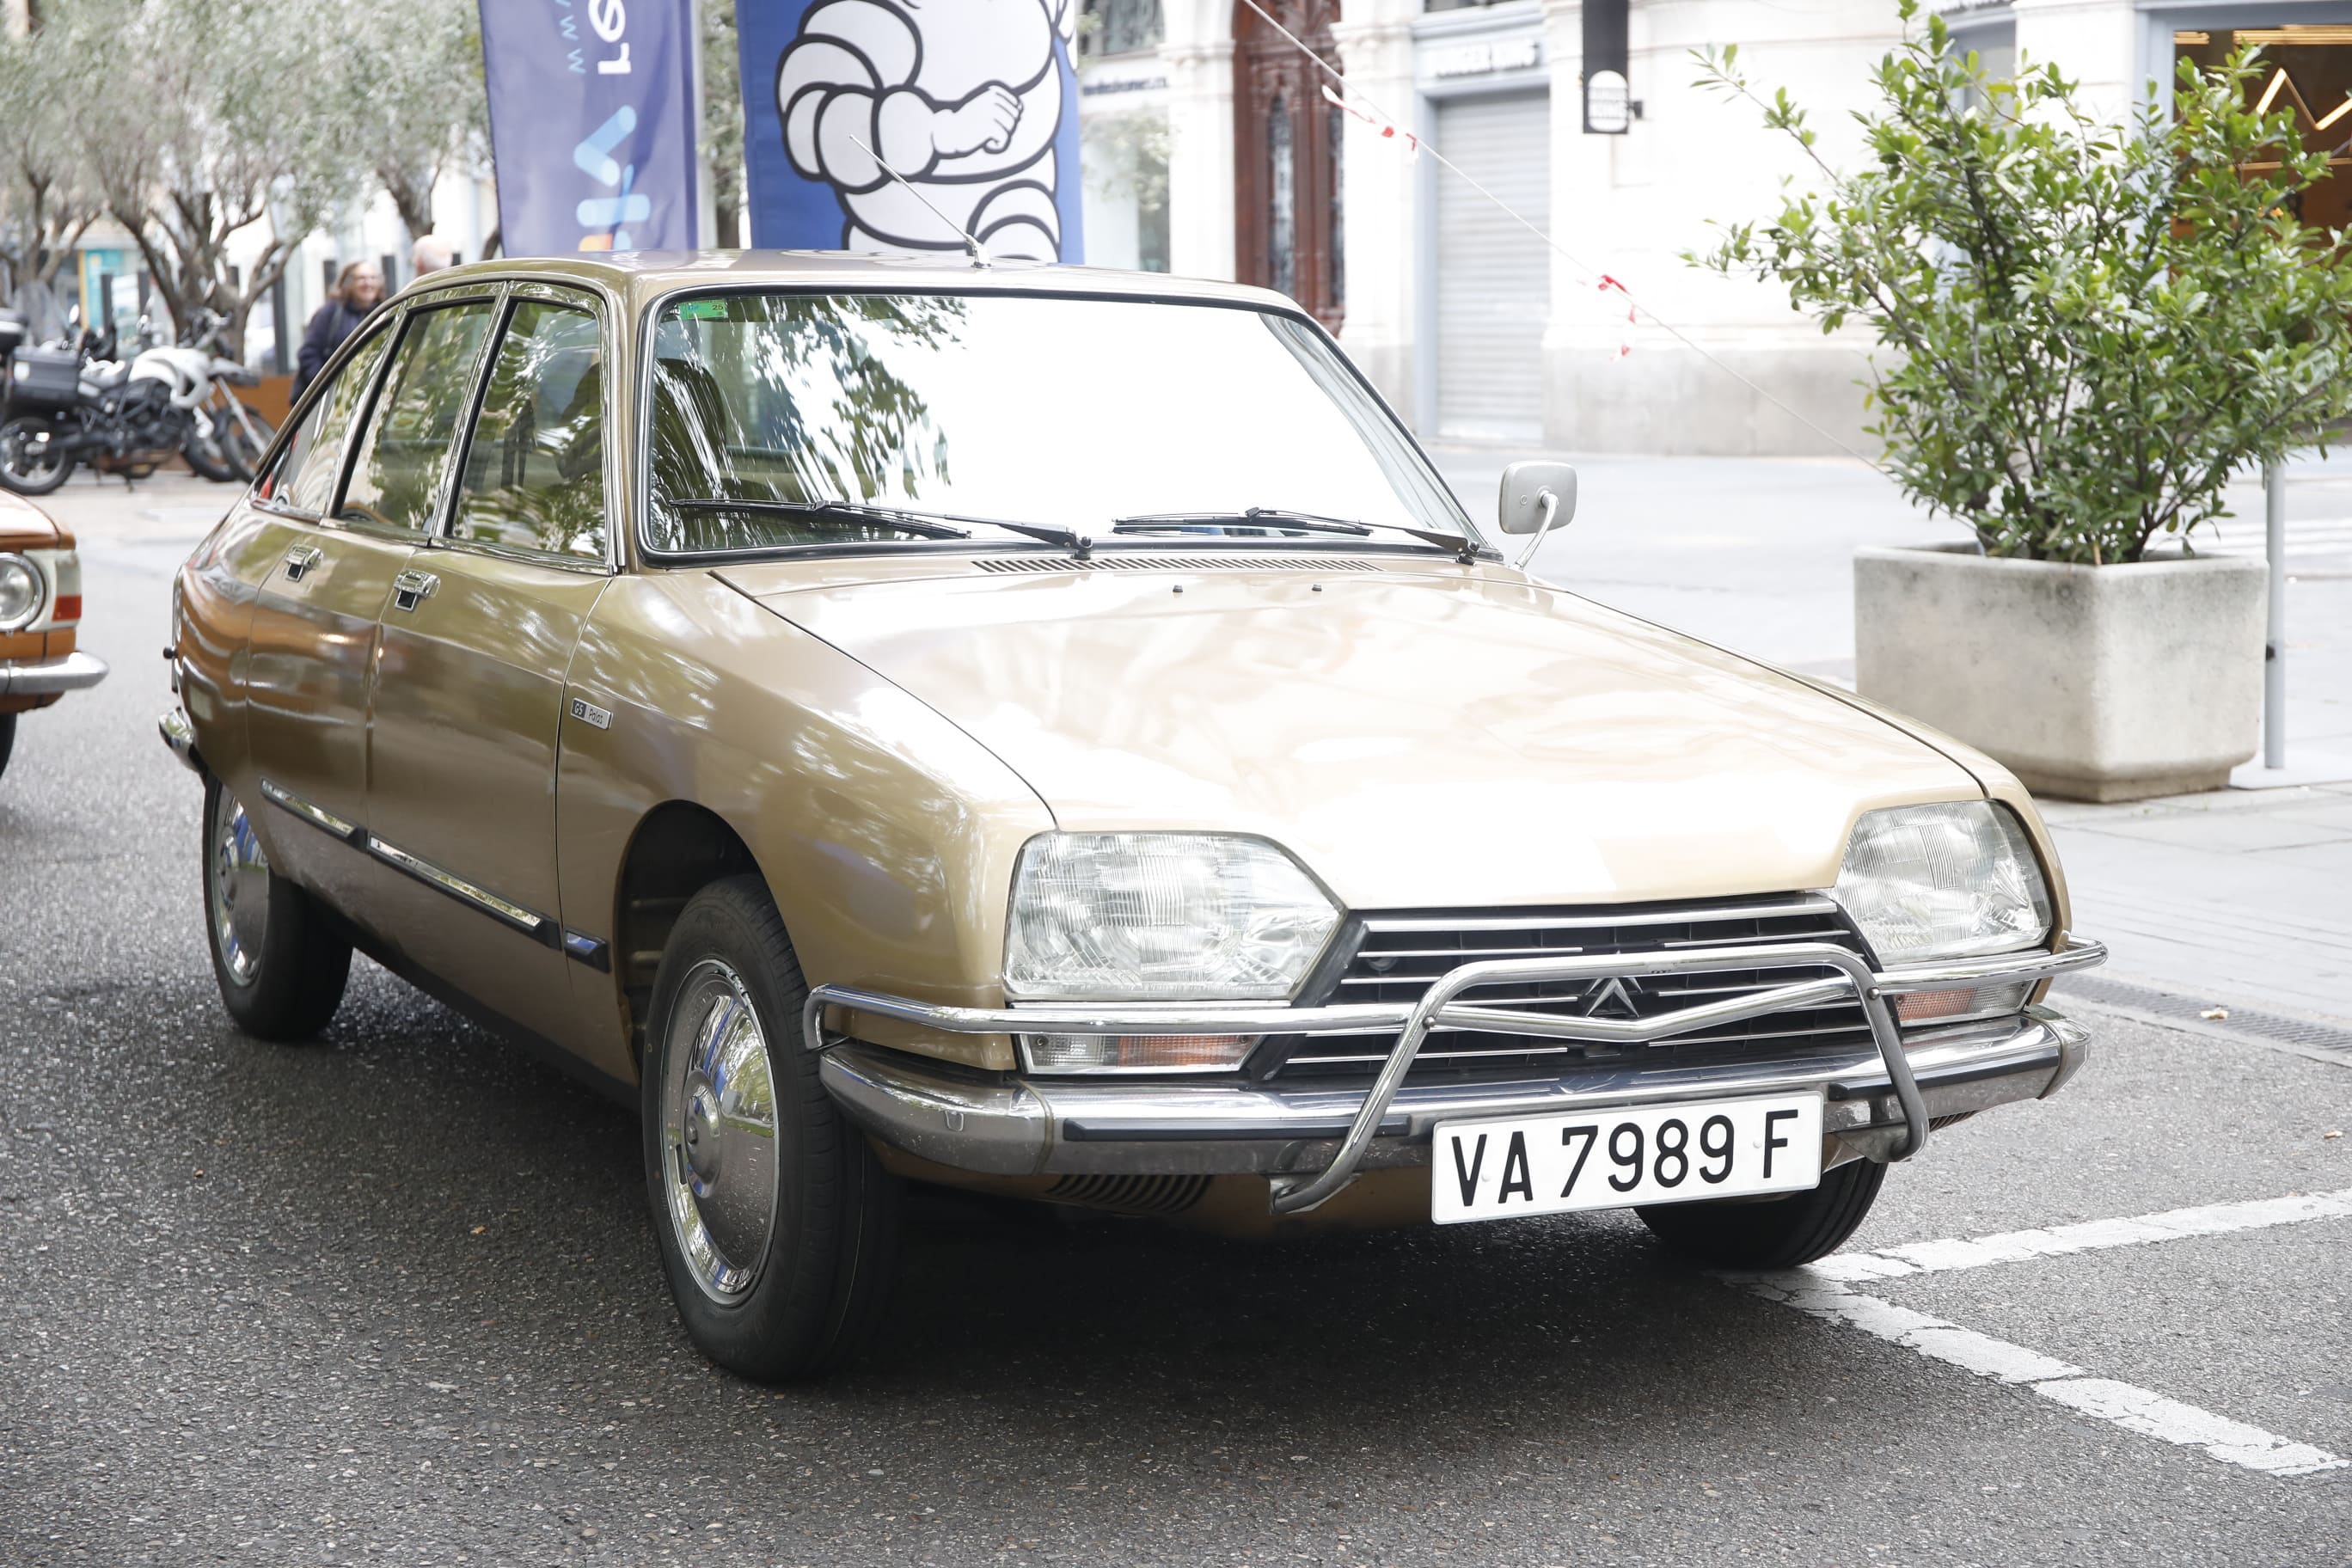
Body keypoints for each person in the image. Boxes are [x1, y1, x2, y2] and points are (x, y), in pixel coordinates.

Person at [292, 261, 383, 399]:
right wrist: (327, 389)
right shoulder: (329, 314)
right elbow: (308, 355)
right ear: (348, 283)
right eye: (361, 278)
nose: (368, 283)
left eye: (373, 278)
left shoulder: (385, 313)